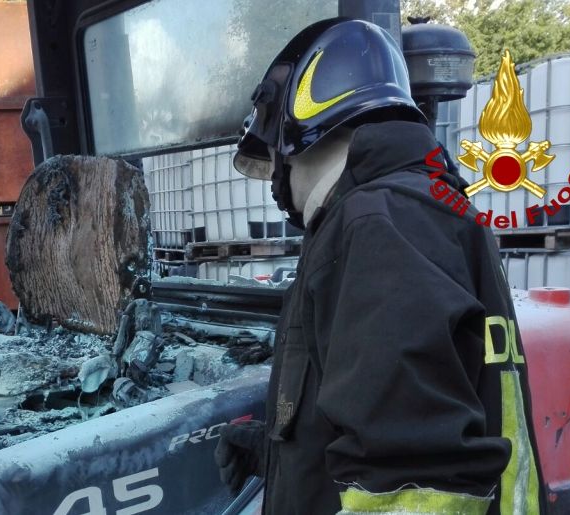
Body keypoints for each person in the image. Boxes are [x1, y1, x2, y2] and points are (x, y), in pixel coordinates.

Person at [214, 18, 546, 515]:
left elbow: (412, 480)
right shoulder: (417, 209)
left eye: (272, 162)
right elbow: (400, 417)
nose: (275, 183)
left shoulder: (379, 224)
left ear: (302, 118)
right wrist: (278, 453)